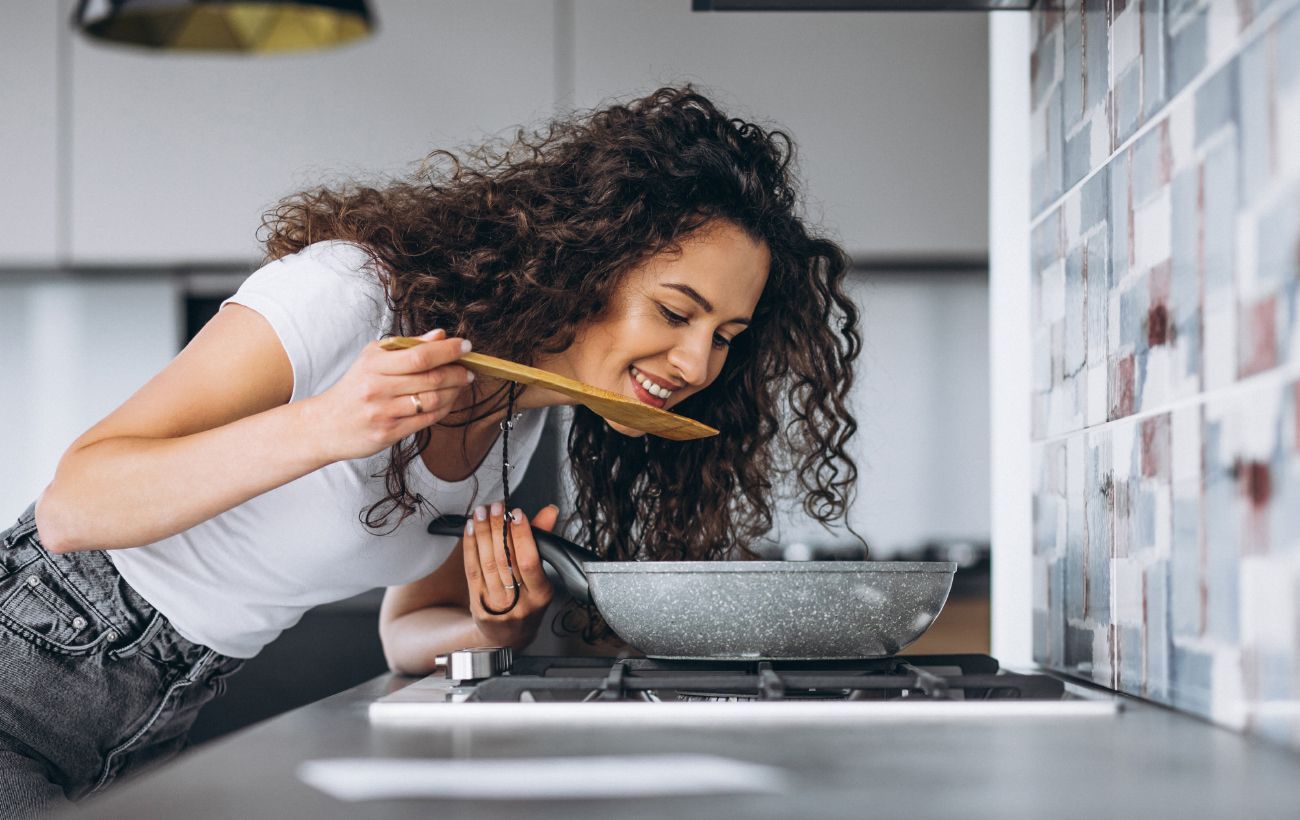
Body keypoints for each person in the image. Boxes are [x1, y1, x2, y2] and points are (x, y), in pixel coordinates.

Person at [0, 85, 861, 817]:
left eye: (726, 336)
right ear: (592, 260)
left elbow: (405, 633)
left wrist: (494, 624)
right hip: (29, 665)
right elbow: (75, 506)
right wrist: (327, 425)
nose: (698, 365)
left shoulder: (517, 417)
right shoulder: (349, 296)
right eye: (676, 313)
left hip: (160, 709)